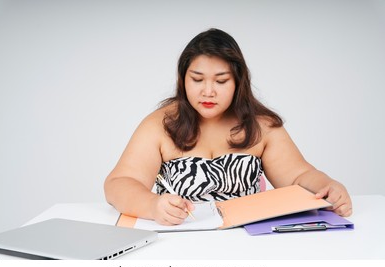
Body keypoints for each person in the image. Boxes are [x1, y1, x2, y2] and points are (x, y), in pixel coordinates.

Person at [104, 28, 352, 226]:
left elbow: (298, 176)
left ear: (237, 81)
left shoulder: (262, 125)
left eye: (221, 81)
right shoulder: (160, 124)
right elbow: (119, 183)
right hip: (178, 241)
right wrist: (152, 206)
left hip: (249, 243)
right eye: (197, 79)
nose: (208, 91)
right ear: (183, 80)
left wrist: (327, 186)